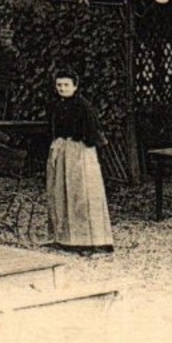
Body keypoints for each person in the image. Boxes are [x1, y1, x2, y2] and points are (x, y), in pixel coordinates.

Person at [46, 69, 114, 255]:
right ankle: (64, 238)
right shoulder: (56, 105)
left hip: (80, 153)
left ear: (75, 86)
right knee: (60, 193)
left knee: (82, 194)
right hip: (62, 151)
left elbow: (93, 132)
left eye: (66, 85)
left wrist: (79, 144)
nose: (62, 88)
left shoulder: (83, 106)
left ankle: (90, 242)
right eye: (59, 85)